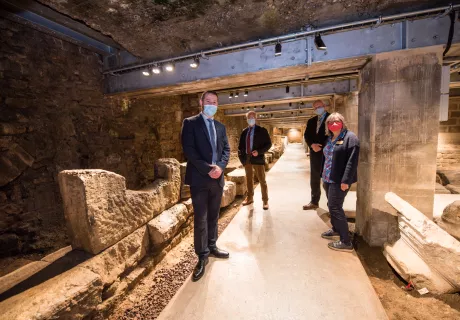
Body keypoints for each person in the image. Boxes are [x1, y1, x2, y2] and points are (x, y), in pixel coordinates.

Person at [181, 91, 231, 281]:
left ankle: (212, 246)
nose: (211, 104)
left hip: (217, 178)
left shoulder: (220, 126)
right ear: (201, 102)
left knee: (214, 215)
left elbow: (226, 149)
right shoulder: (190, 123)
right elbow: (189, 149)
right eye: (208, 101)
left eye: (215, 102)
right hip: (200, 179)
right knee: (200, 219)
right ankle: (202, 256)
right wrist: (206, 168)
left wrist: (220, 166)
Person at [320, 112, 359, 253]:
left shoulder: (350, 138)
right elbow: (326, 158)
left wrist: (346, 180)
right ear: (328, 125)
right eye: (331, 122)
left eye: (337, 121)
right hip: (328, 178)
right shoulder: (330, 138)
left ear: (342, 122)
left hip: (339, 180)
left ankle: (346, 241)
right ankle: (336, 229)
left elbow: (352, 161)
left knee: (335, 207)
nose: (334, 123)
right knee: (331, 205)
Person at [238, 111, 272, 210]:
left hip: (258, 158)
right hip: (247, 159)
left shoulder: (262, 130)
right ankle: (250, 198)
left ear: (256, 118)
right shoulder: (244, 132)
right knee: (249, 180)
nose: (251, 119)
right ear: (247, 119)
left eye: (253, 117)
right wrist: (242, 159)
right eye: (249, 117)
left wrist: (259, 152)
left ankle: (265, 201)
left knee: (262, 180)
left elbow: (268, 144)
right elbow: (240, 147)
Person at [303, 100, 330, 210]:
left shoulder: (331, 118)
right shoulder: (311, 121)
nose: (318, 109)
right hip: (314, 153)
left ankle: (331, 206)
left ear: (324, 106)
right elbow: (307, 135)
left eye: (319, 106)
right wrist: (312, 145)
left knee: (327, 180)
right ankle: (314, 202)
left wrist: (322, 146)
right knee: (314, 178)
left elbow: (332, 135)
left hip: (327, 153)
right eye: (315, 108)